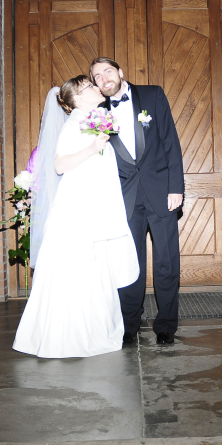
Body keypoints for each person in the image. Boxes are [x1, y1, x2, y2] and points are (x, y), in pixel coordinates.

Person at [12, 76, 139, 358]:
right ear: (78, 98)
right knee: (77, 268)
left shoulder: (92, 120)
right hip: (78, 208)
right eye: (89, 86)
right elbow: (59, 165)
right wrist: (92, 148)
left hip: (93, 205)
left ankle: (91, 331)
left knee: (93, 268)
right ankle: (68, 336)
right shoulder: (73, 125)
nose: (96, 87)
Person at [90, 57, 185, 346]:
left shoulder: (153, 94)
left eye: (108, 71)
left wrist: (176, 187)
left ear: (120, 72)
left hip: (161, 193)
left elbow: (170, 141)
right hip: (124, 197)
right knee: (129, 264)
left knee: (167, 261)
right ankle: (129, 324)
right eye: (97, 76)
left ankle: (166, 325)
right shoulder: (97, 112)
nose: (104, 78)